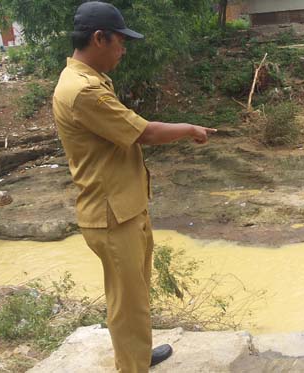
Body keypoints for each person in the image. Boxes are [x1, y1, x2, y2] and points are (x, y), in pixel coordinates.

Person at [52, 2, 216, 372]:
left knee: (135, 294)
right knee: (127, 301)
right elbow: (143, 132)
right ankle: (132, 367)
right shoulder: (83, 91)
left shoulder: (90, 80)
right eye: (120, 41)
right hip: (111, 213)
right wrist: (190, 129)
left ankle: (136, 356)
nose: (124, 49)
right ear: (99, 38)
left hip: (125, 207)